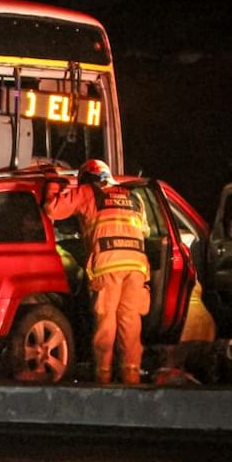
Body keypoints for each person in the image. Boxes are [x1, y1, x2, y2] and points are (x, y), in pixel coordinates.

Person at [43, 159, 151, 384]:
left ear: (86, 178)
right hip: (137, 265)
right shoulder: (133, 197)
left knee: (106, 320)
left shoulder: (87, 192)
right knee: (130, 321)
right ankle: (131, 377)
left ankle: (102, 377)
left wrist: (53, 185)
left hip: (108, 263)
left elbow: (53, 210)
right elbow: (146, 231)